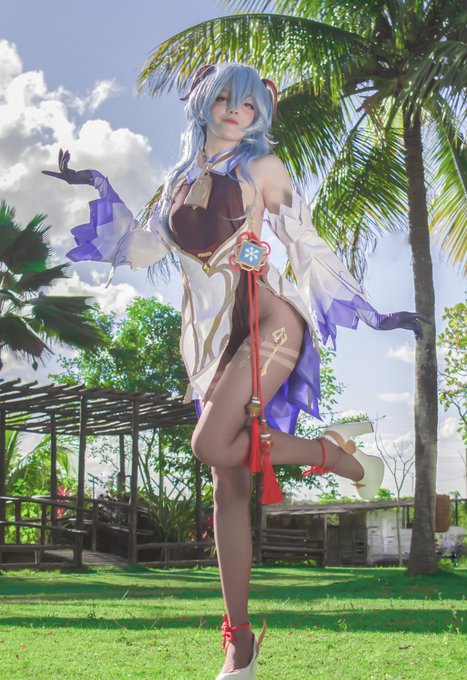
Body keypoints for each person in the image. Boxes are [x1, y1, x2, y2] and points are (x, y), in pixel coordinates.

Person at [43, 62, 430, 679]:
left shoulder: (263, 168)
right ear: (202, 101)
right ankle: (239, 644)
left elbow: (305, 240)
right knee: (229, 483)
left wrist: (375, 314)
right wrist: (95, 181)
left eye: (247, 104)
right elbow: (143, 248)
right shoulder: (177, 181)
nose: (233, 110)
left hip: (268, 322)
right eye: (223, 98)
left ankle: (337, 458)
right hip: (211, 345)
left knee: (209, 444)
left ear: (259, 113)